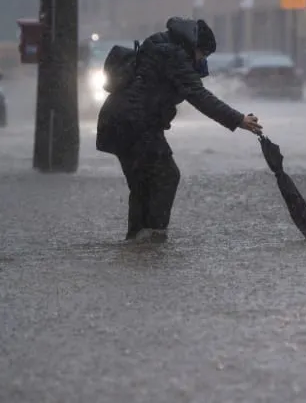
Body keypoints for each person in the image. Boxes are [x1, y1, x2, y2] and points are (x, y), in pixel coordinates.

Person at [96, 17, 263, 242]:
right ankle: (153, 236)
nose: (203, 60)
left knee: (142, 183)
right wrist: (238, 119)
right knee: (167, 175)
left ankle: (137, 241)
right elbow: (199, 96)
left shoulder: (162, 45)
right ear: (195, 46)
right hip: (136, 124)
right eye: (203, 55)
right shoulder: (173, 55)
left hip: (119, 120)